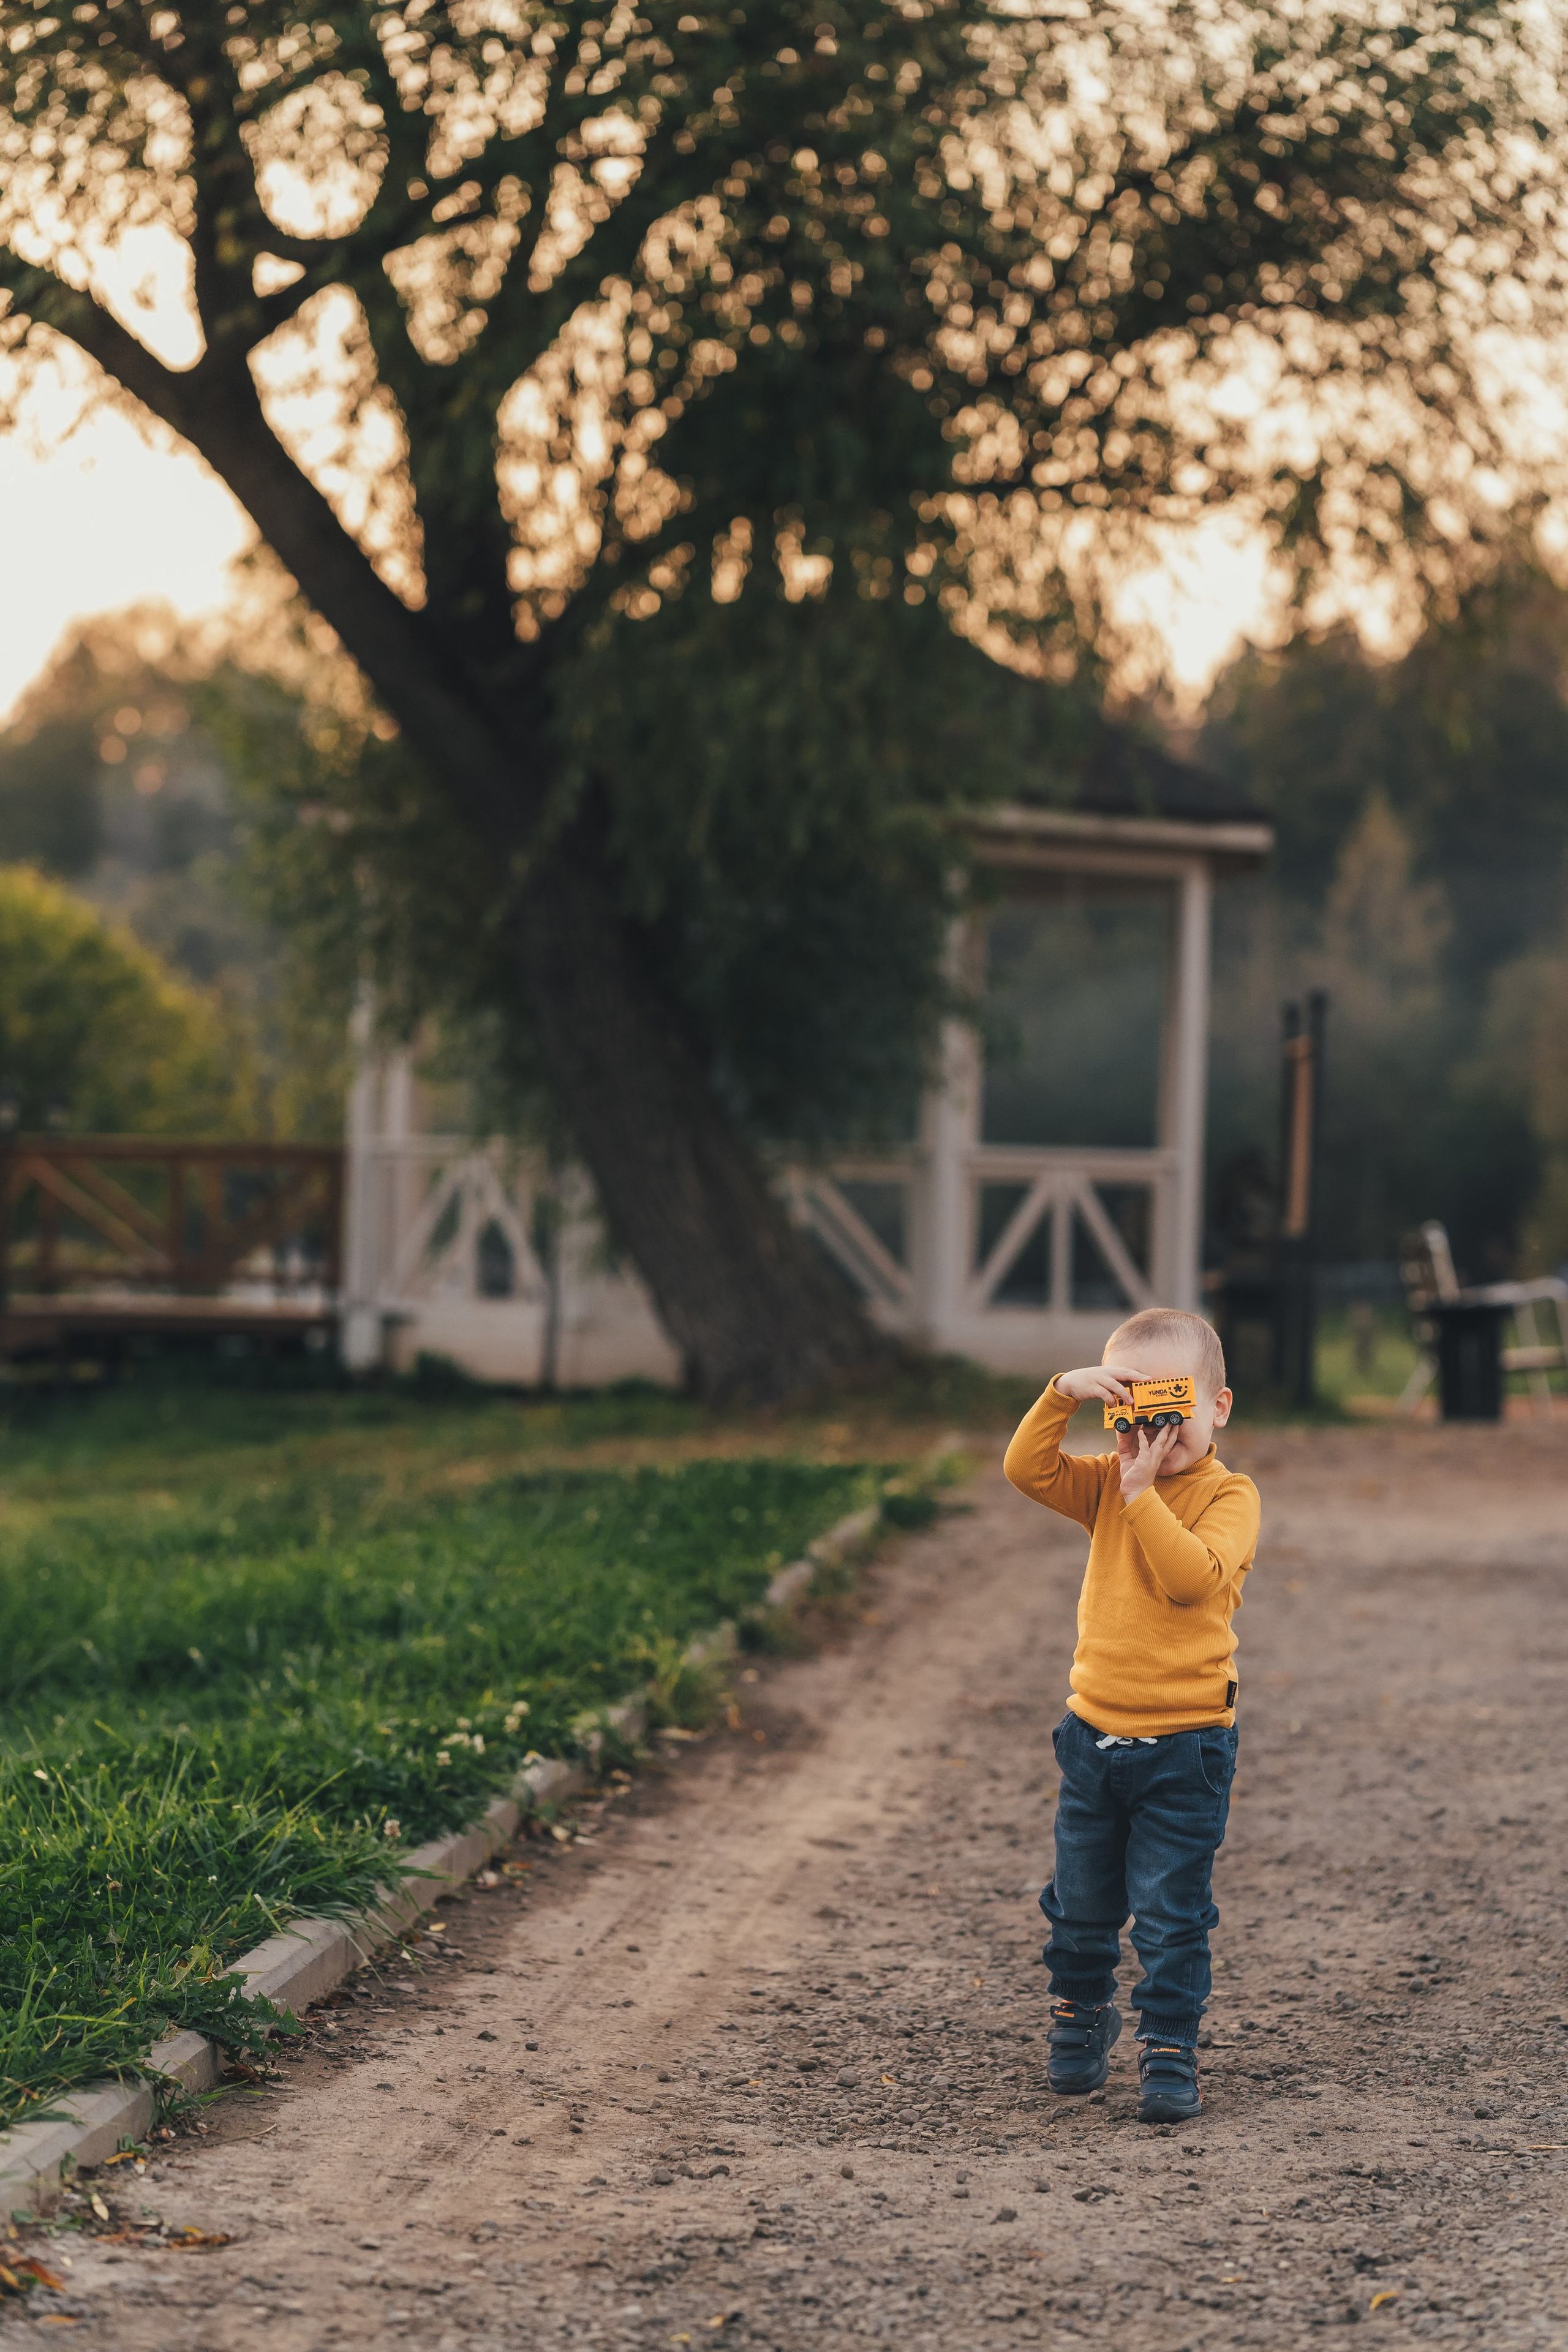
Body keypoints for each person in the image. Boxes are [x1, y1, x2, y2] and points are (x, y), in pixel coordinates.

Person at [1003, 1306, 1261, 2125]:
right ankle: (1079, 2016)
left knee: (1170, 1914)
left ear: (1216, 1407)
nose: (1150, 1427)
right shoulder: (1106, 1483)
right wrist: (1061, 1396)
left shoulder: (1229, 1494)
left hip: (1187, 1749)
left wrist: (1143, 1495)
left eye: (1171, 1405)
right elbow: (1025, 1471)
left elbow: (1192, 1581)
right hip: (1092, 1740)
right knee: (1078, 1906)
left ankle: (1168, 2048)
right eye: (1131, 1405)